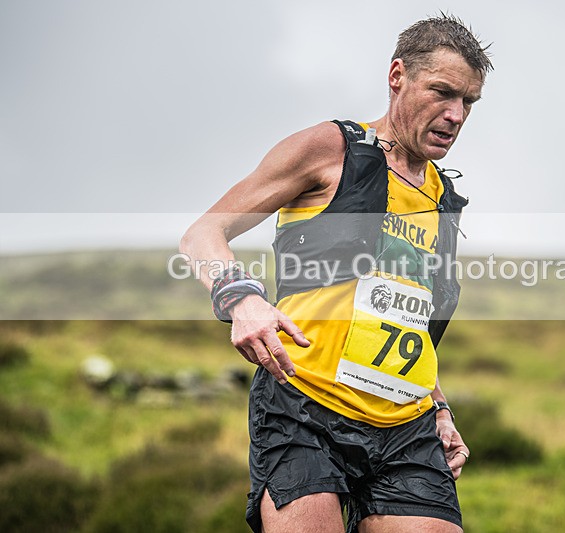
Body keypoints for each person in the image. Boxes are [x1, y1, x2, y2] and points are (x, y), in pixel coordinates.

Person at [180, 13, 492, 533]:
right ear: (398, 76)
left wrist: (439, 407)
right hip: (306, 407)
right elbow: (202, 236)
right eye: (442, 92)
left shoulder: (442, 196)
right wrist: (243, 299)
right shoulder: (332, 149)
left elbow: (406, 313)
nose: (456, 114)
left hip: (404, 424)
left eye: (469, 103)